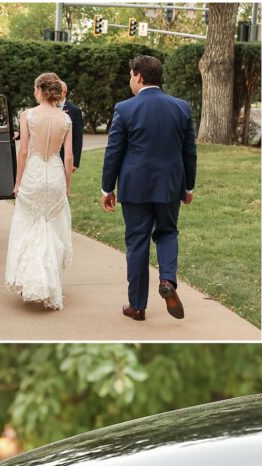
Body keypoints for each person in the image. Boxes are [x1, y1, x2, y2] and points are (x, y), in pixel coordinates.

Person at [100, 55, 196, 323]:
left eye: (131, 75)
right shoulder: (181, 107)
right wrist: (188, 185)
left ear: (139, 76)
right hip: (169, 185)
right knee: (167, 232)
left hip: (135, 187)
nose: (130, 80)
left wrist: (107, 188)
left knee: (137, 243)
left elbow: (114, 152)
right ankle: (167, 279)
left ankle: (137, 306)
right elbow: (189, 152)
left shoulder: (125, 108)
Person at [5, 72, 74, 311]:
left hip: (33, 175)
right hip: (54, 176)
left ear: (39, 90)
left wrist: (17, 182)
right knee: (52, 228)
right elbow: (69, 157)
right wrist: (67, 185)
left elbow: (23, 151)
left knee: (29, 226)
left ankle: (28, 280)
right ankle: (50, 283)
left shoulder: (28, 115)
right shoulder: (65, 120)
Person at [60, 83, 83, 171]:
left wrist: (75, 163)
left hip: (65, 156)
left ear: (64, 93)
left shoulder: (74, 110)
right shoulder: (48, 108)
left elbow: (78, 138)